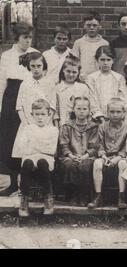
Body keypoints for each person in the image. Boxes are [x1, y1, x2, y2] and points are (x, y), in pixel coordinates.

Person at [0, 23, 38, 193]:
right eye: (25, 37)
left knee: (27, 140)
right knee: (10, 142)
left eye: (30, 37)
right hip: (10, 100)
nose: (28, 41)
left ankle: (27, 185)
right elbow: (2, 83)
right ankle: (12, 183)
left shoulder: (35, 54)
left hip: (28, 100)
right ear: (17, 38)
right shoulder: (7, 56)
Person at [17, 99, 59, 217]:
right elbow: (23, 149)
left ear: (49, 115)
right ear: (32, 115)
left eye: (43, 114)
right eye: (37, 114)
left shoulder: (53, 130)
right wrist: (41, 146)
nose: (40, 118)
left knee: (42, 162)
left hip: (46, 159)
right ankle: (24, 201)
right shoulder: (27, 129)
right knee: (28, 162)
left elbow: (51, 150)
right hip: (29, 158)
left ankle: (48, 198)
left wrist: (33, 145)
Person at [13, 52, 55, 160]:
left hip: (44, 123)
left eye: (39, 66)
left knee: (42, 152)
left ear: (43, 66)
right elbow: (19, 106)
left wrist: (45, 123)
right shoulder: (25, 83)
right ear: (29, 66)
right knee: (28, 153)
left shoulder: (49, 83)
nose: (36, 69)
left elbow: (53, 106)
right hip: (28, 123)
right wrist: (27, 123)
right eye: (33, 66)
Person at [88, 98, 127, 209]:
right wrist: (103, 156)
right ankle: (98, 196)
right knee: (97, 163)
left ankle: (121, 196)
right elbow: (99, 144)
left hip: (120, 157)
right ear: (107, 112)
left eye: (118, 112)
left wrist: (118, 157)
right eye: (112, 112)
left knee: (123, 164)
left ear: (124, 113)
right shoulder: (102, 127)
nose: (115, 115)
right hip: (105, 156)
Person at [59, 96, 98, 206]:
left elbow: (94, 146)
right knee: (70, 165)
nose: (81, 112)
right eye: (79, 108)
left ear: (89, 111)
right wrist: (71, 155)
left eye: (85, 109)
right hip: (71, 156)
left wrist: (86, 155)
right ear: (73, 109)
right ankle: (74, 194)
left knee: (86, 165)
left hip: (87, 156)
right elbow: (64, 145)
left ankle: (84, 194)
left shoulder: (94, 127)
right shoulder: (67, 126)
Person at [86, 45, 126, 122]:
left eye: (108, 60)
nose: (105, 63)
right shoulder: (91, 78)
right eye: (102, 60)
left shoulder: (119, 78)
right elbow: (91, 98)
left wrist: (115, 114)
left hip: (115, 117)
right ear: (97, 60)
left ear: (113, 60)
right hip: (96, 118)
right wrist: (99, 116)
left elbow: (121, 98)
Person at [53, 55, 96, 128]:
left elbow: (88, 107)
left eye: (74, 72)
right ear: (63, 70)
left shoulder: (83, 88)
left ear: (78, 72)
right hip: (63, 125)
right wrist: (57, 127)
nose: (71, 74)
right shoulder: (57, 88)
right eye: (68, 71)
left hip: (80, 125)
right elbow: (56, 110)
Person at [72, 11, 109, 81]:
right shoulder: (78, 43)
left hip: (99, 79)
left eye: (94, 25)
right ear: (84, 26)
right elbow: (73, 63)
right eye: (88, 25)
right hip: (82, 79)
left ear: (99, 26)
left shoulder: (105, 43)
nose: (91, 28)